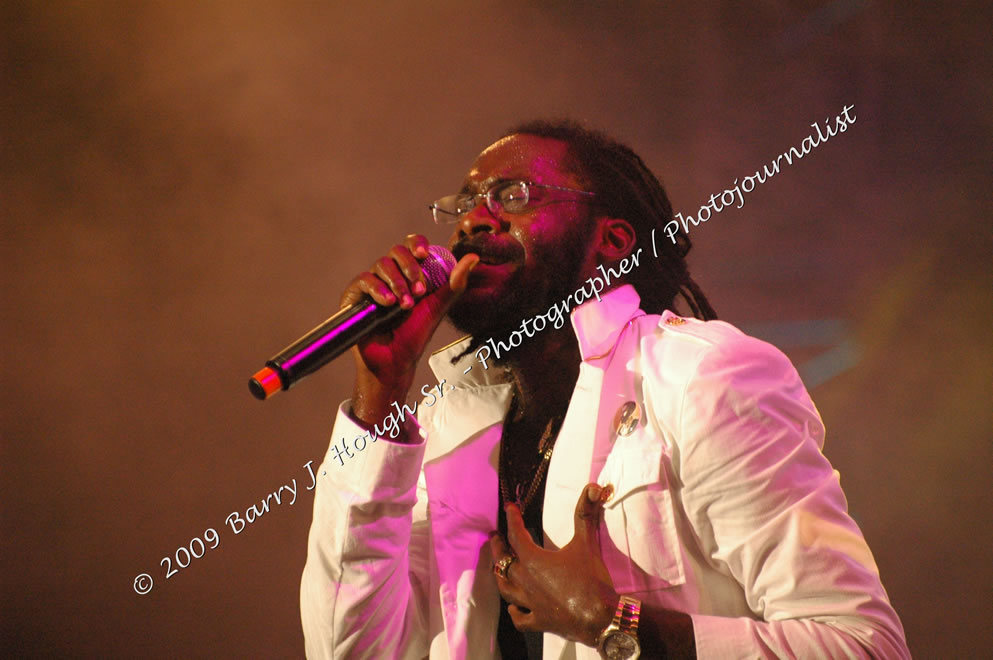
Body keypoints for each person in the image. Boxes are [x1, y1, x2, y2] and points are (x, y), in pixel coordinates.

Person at [299, 120, 909, 659]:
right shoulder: (439, 427)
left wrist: (617, 627)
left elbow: (861, 645)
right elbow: (347, 651)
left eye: (511, 195)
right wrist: (381, 389)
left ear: (611, 243)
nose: (473, 219)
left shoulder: (703, 377)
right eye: (465, 202)